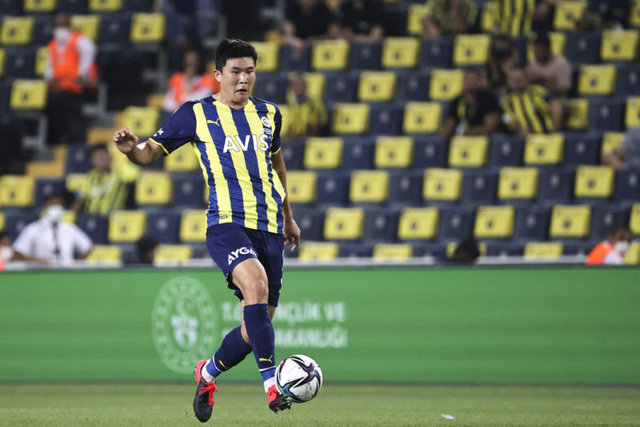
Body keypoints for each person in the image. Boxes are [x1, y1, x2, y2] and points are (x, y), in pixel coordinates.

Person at [112, 39, 300, 421]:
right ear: (218, 74)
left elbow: (277, 168)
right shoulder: (195, 113)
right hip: (226, 223)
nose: (243, 79)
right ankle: (272, 385)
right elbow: (150, 153)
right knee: (256, 285)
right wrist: (132, 150)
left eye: (250, 71)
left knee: (255, 325)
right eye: (236, 71)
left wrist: (289, 217)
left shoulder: (269, 114)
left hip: (269, 225)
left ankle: (207, 372)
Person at [44, 13, 98, 145]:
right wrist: (51, 79)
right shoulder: (52, 45)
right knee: (50, 99)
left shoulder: (78, 41)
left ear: (69, 26)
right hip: (61, 87)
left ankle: (72, 137)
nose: (60, 29)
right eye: (58, 26)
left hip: (79, 87)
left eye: (63, 25)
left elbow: (90, 53)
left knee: (60, 100)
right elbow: (49, 71)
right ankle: (55, 138)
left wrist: (82, 74)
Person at [12, 194, 93, 265]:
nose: (56, 208)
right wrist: (36, 262)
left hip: (66, 272)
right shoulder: (34, 228)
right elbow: (17, 253)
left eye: (59, 206)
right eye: (53, 204)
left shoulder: (69, 228)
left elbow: (87, 247)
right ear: (45, 206)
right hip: (42, 272)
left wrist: (76, 264)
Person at [438, 67, 501, 139]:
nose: (468, 82)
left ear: (479, 81)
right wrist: (441, 136)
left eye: (472, 79)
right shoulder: (457, 100)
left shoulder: (489, 98)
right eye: (466, 79)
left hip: (481, 139)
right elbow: (450, 123)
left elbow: (491, 127)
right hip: (460, 140)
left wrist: (467, 132)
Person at [71, 143, 133, 215]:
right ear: (93, 160)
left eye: (104, 155)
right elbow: (82, 198)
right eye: (98, 157)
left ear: (110, 157)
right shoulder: (90, 177)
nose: (102, 159)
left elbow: (137, 175)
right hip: (92, 216)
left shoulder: (120, 170)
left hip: (112, 217)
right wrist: (70, 215)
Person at [501, 66, 563, 135]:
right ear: (508, 81)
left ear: (526, 78)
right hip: (523, 138)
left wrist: (554, 130)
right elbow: (506, 119)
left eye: (519, 78)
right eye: (512, 79)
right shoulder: (506, 101)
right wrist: (519, 129)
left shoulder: (539, 91)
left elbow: (556, 108)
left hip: (546, 135)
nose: (516, 81)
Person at [526, 33, 572, 97]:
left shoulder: (561, 64)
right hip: (534, 99)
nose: (536, 55)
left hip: (555, 100)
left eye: (539, 51)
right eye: (534, 52)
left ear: (548, 49)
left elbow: (564, 91)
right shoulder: (532, 63)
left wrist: (543, 80)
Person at [285, 73, 328, 138]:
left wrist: (296, 136)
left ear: (306, 87)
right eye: (295, 86)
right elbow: (291, 127)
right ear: (291, 88)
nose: (298, 88)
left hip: (310, 139)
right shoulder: (291, 105)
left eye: (300, 85)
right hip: (295, 139)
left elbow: (317, 127)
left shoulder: (315, 104)